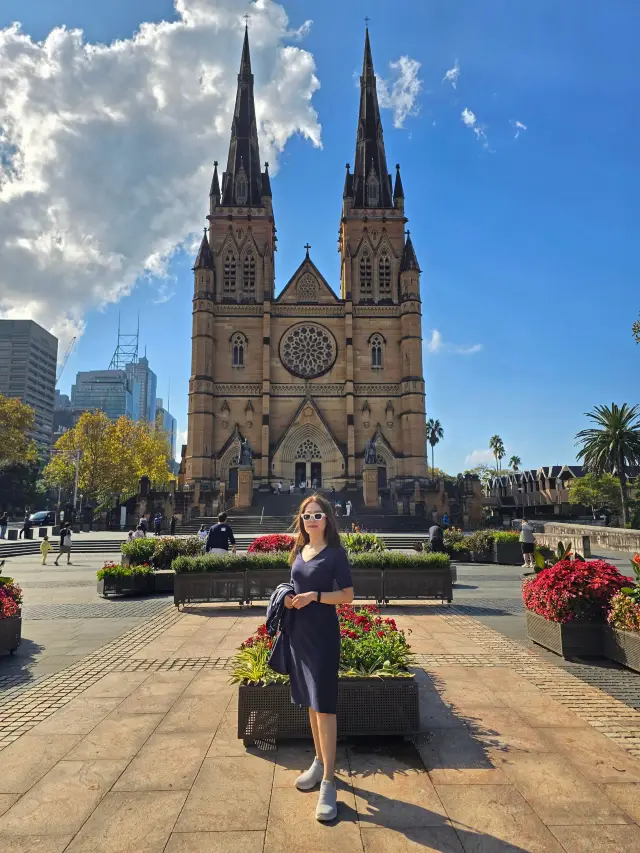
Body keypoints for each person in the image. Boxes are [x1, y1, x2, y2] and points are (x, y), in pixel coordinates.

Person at [284, 495, 354, 822]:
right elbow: (295, 582)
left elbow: (348, 596)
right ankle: (317, 762)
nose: (312, 519)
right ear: (302, 520)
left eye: (318, 514)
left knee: (324, 706)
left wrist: (316, 596)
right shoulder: (300, 551)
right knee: (312, 704)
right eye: (307, 515)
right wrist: (286, 597)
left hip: (324, 636)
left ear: (327, 519)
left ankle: (329, 782)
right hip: (301, 636)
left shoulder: (336, 554)